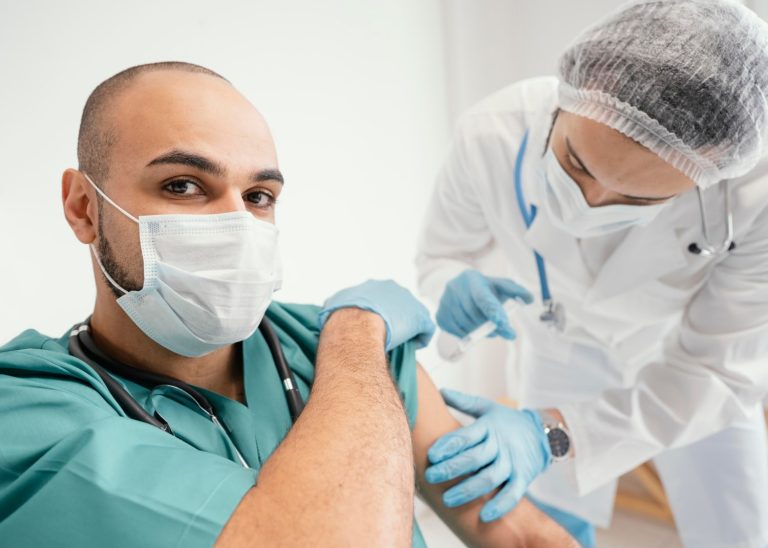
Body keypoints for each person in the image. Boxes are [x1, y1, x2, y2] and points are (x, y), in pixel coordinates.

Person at [0, 62, 576, 547]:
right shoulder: (29, 415)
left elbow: (521, 534)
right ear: (82, 207)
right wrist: (355, 334)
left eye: (258, 196)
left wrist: (554, 433)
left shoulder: (320, 342)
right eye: (183, 185)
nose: (236, 222)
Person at [416, 1, 768, 547]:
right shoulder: (492, 134)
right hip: (558, 347)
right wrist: (449, 288)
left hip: (689, 367)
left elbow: (717, 370)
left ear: (713, 164)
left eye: (635, 196)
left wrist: (550, 431)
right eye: (575, 162)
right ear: (574, 90)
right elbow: (442, 256)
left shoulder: (754, 195)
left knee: (738, 527)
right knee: (552, 521)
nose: (590, 201)